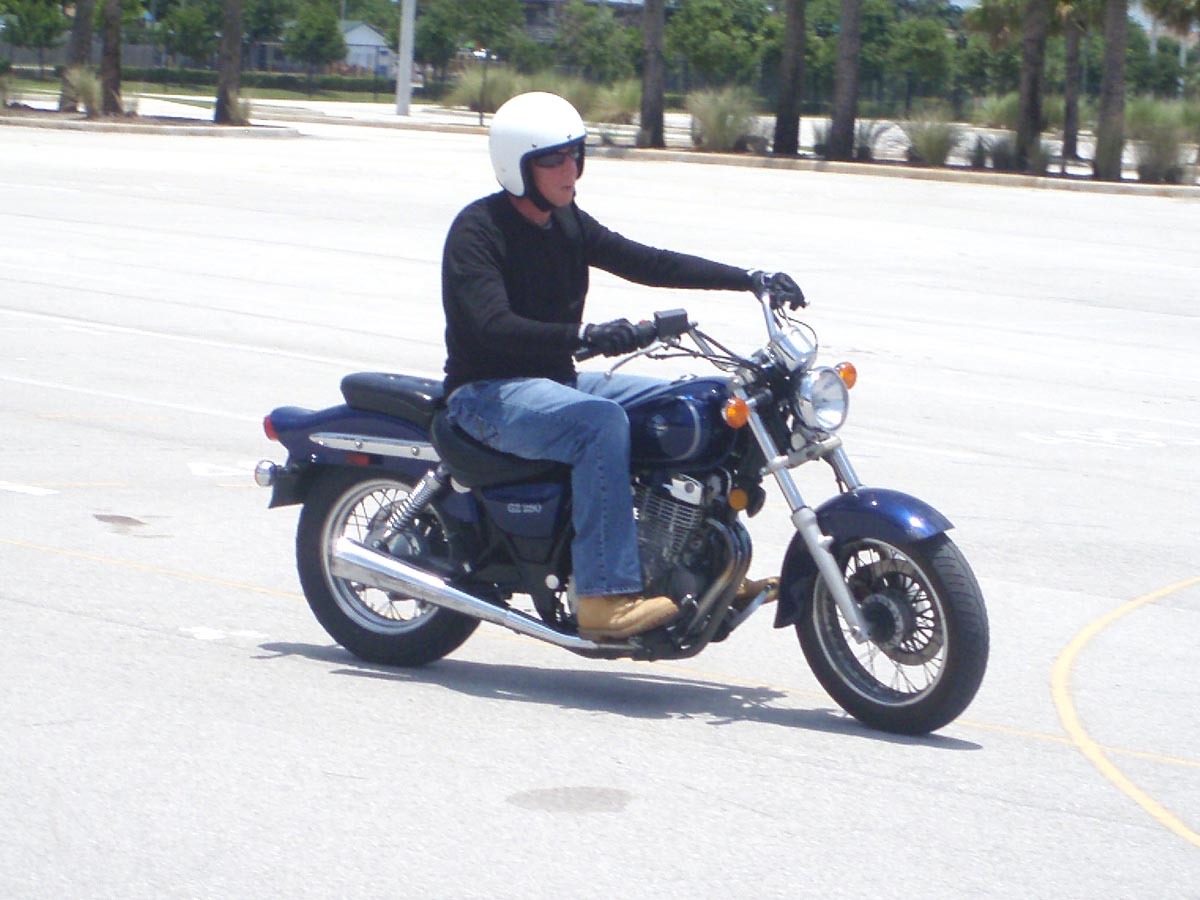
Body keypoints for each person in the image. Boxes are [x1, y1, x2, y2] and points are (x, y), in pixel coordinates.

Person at [440, 91, 803, 640]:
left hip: (554, 381)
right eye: (553, 159)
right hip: (487, 393)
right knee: (600, 423)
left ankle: (703, 566)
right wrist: (585, 336)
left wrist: (749, 279)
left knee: (711, 400)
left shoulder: (565, 221)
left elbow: (647, 261)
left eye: (575, 154)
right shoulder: (478, 231)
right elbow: (492, 325)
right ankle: (602, 597)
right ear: (517, 166)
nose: (570, 169)